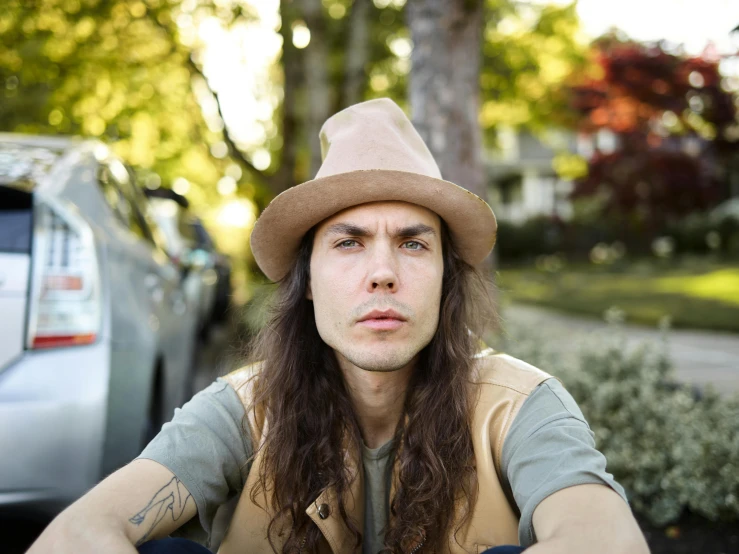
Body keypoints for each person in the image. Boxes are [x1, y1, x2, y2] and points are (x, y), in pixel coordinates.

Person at [28, 98, 649, 554]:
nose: (382, 273)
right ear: (307, 281)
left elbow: (607, 539)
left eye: (412, 244)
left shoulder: (519, 406)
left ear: (445, 277)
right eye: (349, 243)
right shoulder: (242, 410)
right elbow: (75, 534)